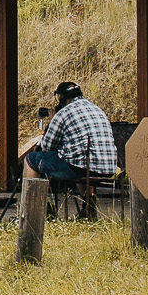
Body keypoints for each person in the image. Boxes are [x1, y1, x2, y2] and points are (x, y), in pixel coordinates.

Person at [22, 81, 119, 219]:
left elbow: (47, 147)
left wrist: (52, 121)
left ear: (61, 98)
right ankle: (88, 207)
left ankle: (31, 211)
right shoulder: (97, 109)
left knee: (31, 160)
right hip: (107, 167)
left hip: (79, 167)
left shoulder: (63, 113)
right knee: (79, 158)